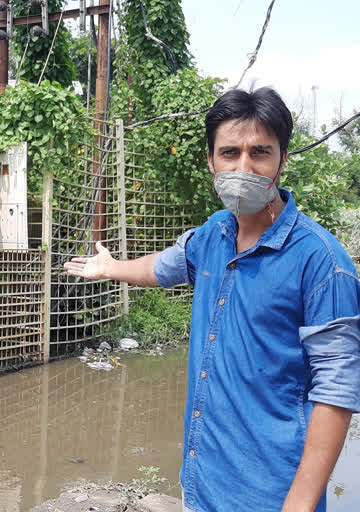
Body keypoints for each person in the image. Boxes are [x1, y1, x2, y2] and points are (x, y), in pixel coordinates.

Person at [64, 87, 360, 512]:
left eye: (260, 152)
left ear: (282, 160)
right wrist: (112, 268)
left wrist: (297, 505)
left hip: (270, 496)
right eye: (229, 153)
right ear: (211, 162)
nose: (244, 166)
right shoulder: (213, 235)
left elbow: (336, 393)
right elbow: (163, 267)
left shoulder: (323, 263)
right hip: (201, 485)